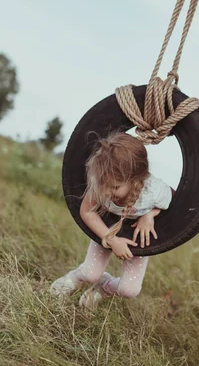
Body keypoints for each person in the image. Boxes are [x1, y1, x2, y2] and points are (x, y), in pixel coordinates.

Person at [50, 132, 173, 310]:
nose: (106, 192)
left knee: (129, 290)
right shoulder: (101, 181)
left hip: (135, 235)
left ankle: (104, 288)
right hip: (107, 227)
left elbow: (173, 201)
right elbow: (87, 211)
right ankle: (73, 278)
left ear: (136, 179)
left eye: (115, 187)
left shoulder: (152, 190)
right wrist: (111, 239)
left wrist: (149, 215)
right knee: (91, 273)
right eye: (103, 185)